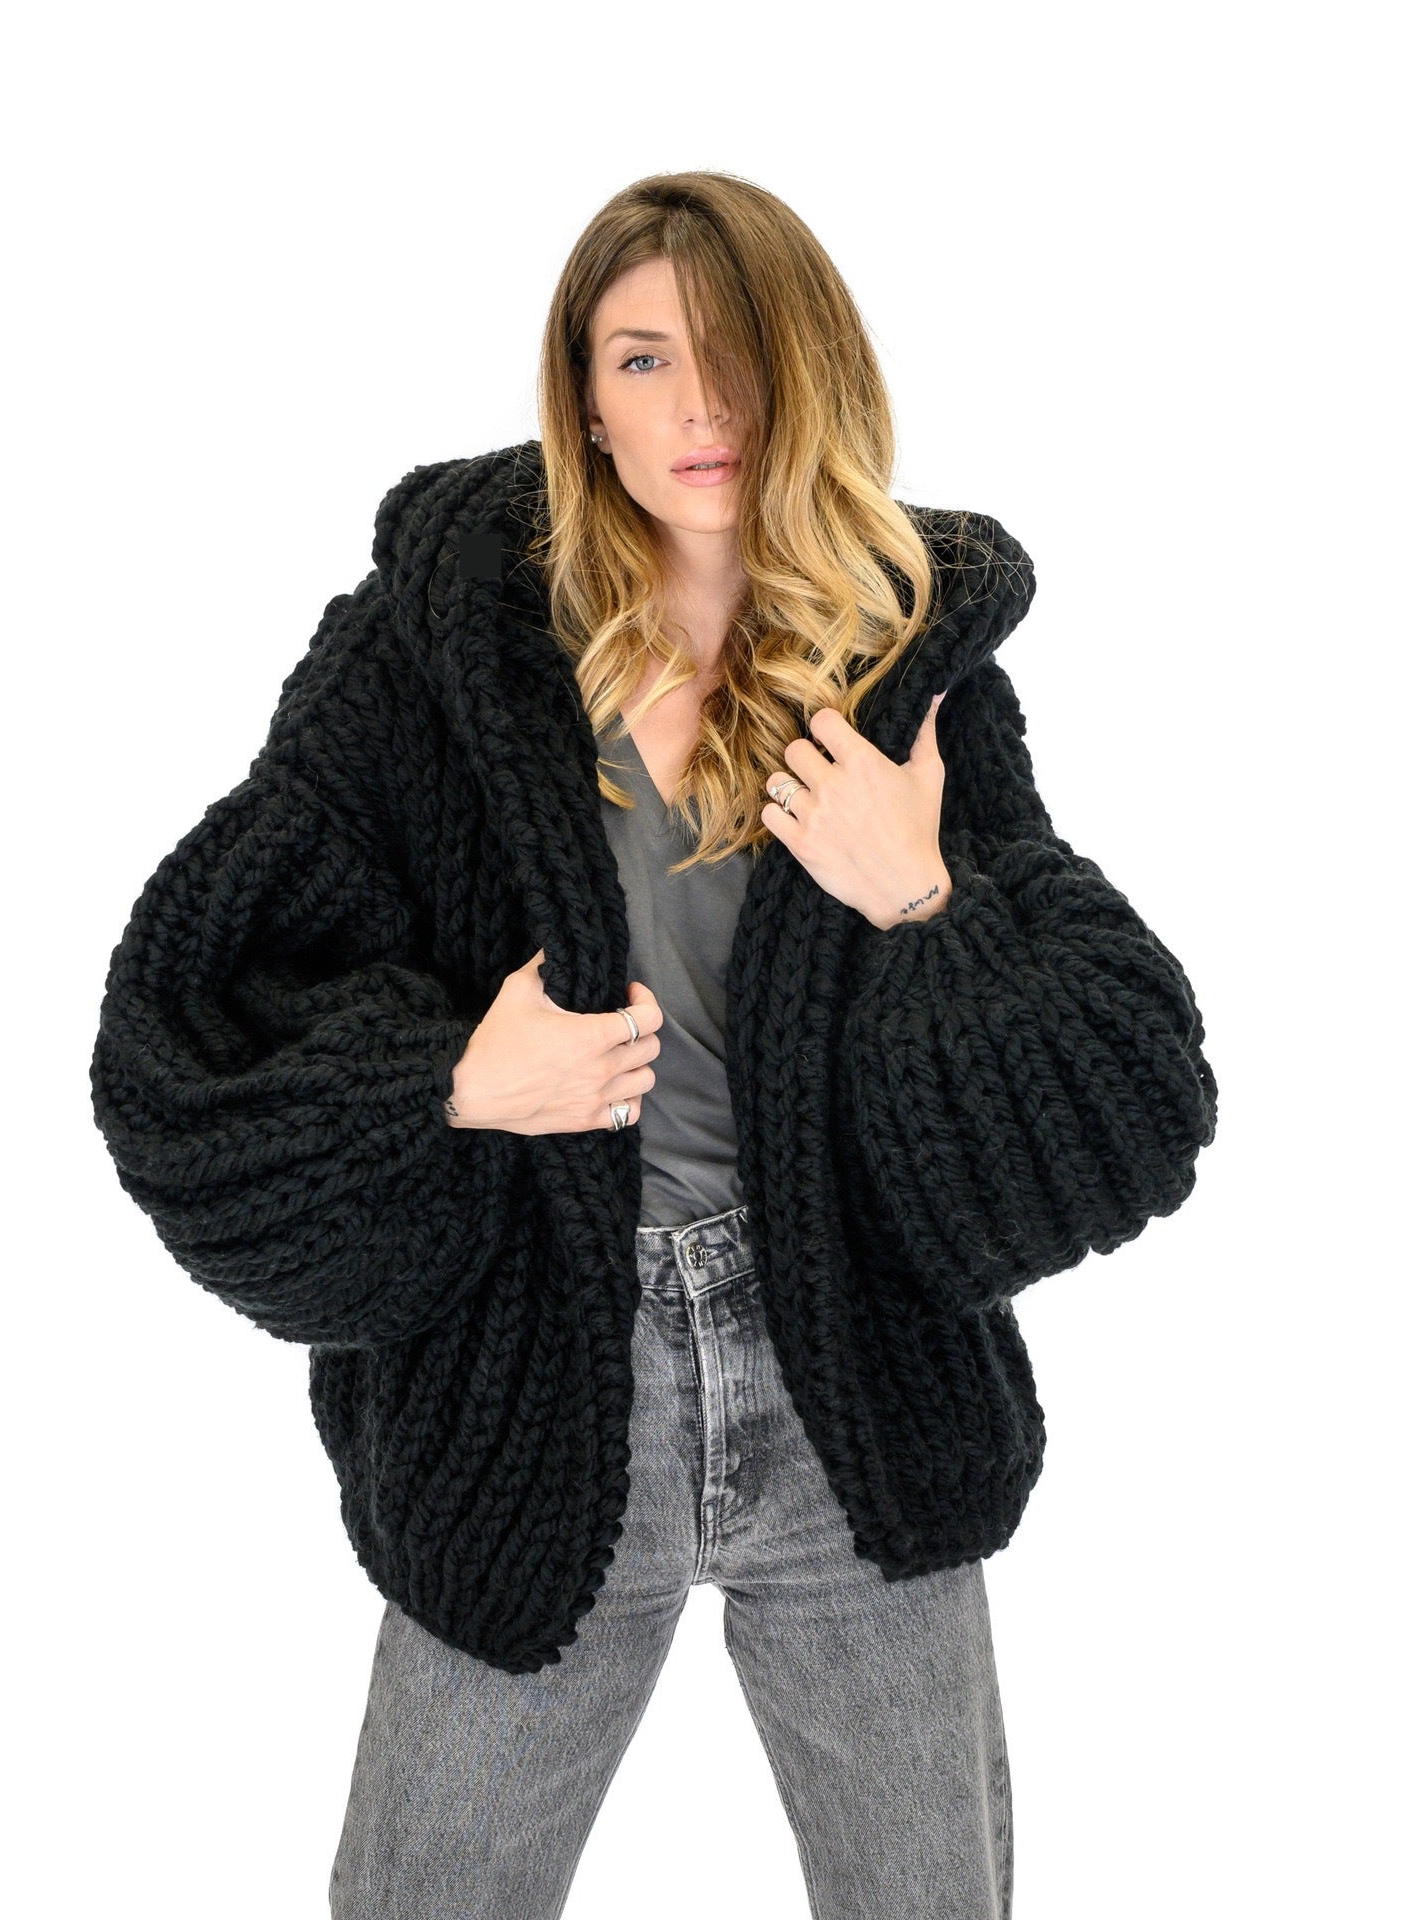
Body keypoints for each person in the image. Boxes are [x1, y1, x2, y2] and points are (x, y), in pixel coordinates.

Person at [90, 170, 1217, 1919]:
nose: (700, 408)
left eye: (738, 354)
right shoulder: (428, 659)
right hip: (543, 1381)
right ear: (583, 397)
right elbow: (184, 1021)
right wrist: (451, 1083)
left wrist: (920, 893)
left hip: (850, 1374)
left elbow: (1128, 1095)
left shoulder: (907, 668)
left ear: (811, 369)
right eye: (641, 359)